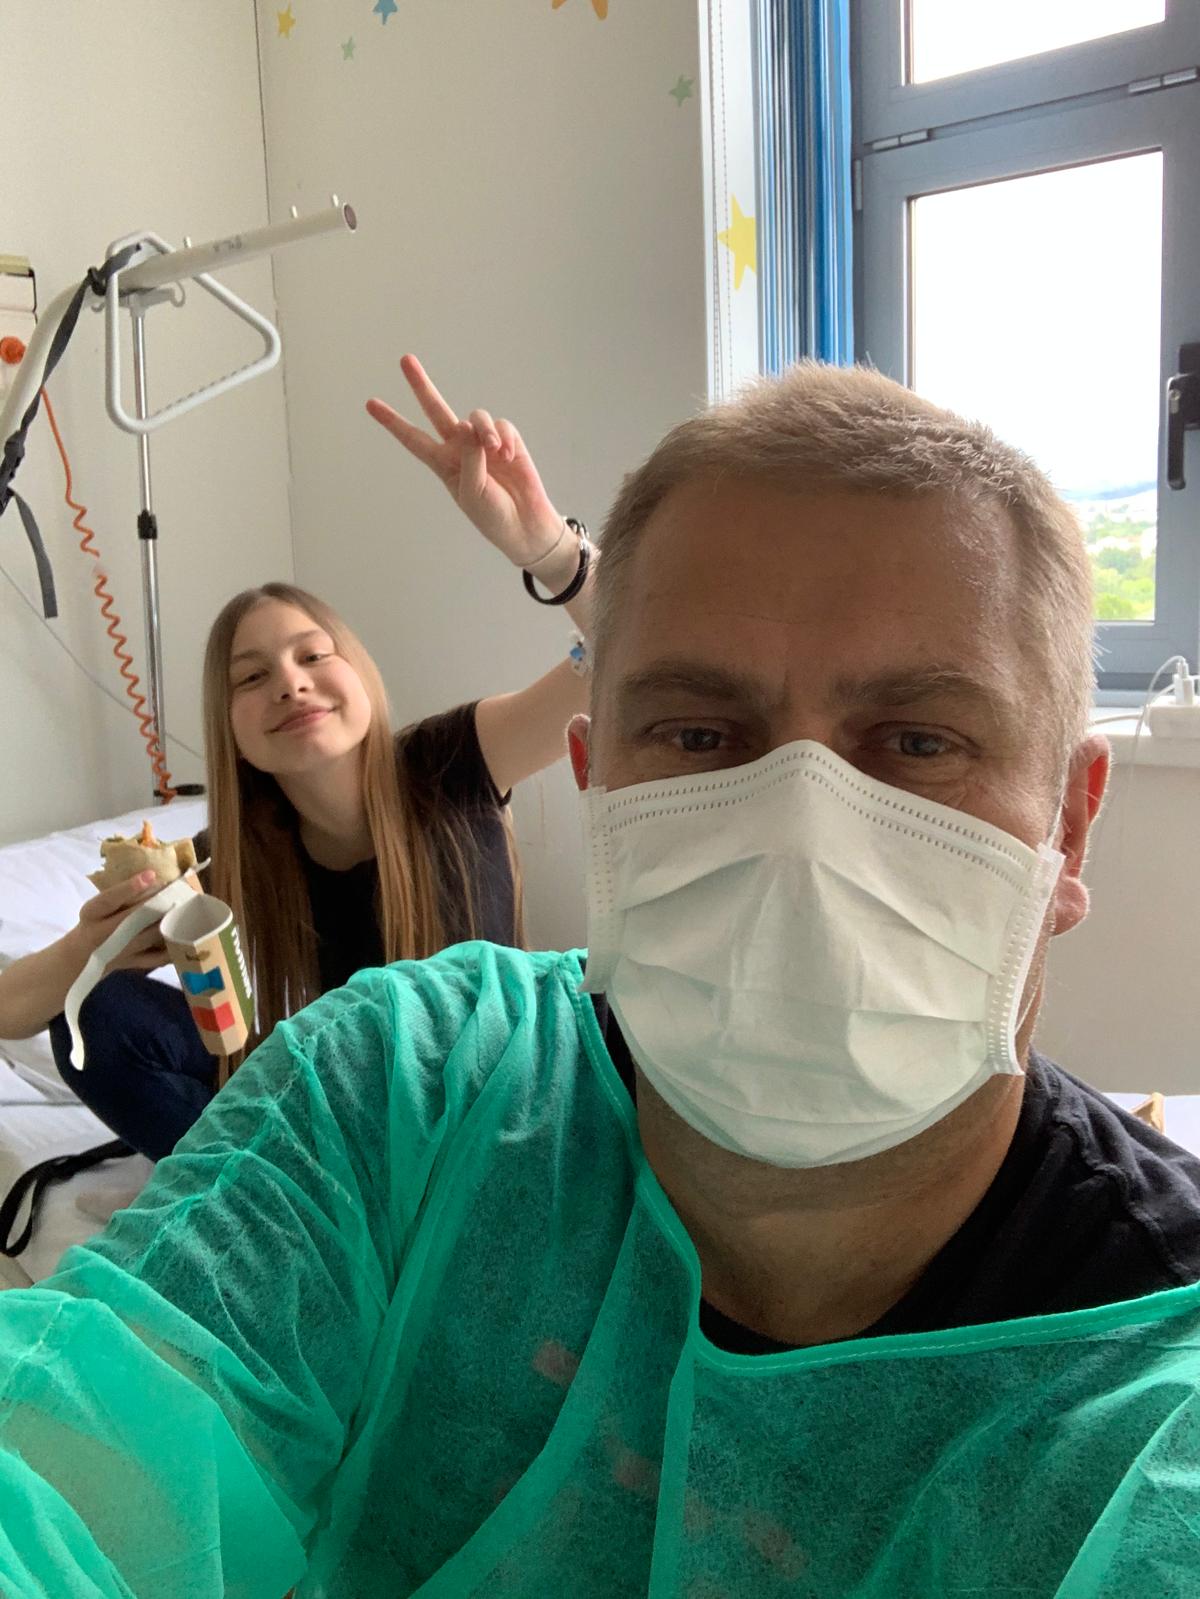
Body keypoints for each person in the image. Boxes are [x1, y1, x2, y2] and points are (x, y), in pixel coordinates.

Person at [2, 363, 1200, 1597]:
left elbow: (589, 654)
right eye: (699, 734)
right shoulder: (388, 1084)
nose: (800, 837)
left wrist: (547, 549)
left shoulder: (1161, 1413)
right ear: (598, 785)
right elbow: (57, 1475)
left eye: (919, 741)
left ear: (1070, 825)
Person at [0, 355, 594, 1159]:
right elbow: (13, 1009)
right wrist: (89, 948)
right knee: (98, 1020)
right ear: (230, 728)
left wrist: (548, 548)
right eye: (252, 676)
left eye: (314, 656)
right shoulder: (233, 860)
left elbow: (621, 660)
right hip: (339, 1135)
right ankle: (268, 1198)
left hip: (480, 1123)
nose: (289, 682)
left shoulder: (455, 761)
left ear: (362, 675)